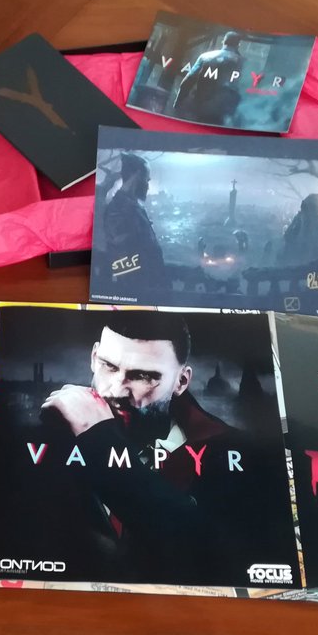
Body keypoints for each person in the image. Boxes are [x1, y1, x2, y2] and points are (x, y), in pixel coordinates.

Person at [20, 312, 290, 585]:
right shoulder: (44, 438)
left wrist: (99, 437)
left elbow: (217, 554)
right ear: (93, 357)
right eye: (108, 366)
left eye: (143, 376)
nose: (116, 390)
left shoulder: (244, 455)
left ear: (180, 382)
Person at [99, 153, 166, 288]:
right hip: (138, 287)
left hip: (146, 284)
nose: (147, 185)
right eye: (146, 180)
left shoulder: (130, 207)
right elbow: (121, 259)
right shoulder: (119, 210)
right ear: (137, 176)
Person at [171, 31, 245, 126]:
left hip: (199, 107)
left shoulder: (205, 57)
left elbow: (188, 81)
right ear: (238, 45)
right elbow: (244, 91)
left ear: (223, 41)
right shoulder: (242, 63)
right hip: (223, 114)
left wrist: (177, 103)